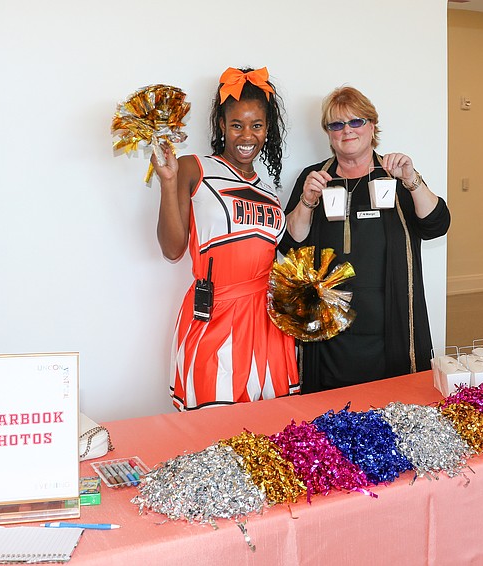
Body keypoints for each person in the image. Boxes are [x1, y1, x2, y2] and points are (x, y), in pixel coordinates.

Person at [281, 86, 450, 393]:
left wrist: (412, 181)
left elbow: (437, 224)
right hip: (330, 331)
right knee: (328, 414)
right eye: (336, 124)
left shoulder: (396, 174)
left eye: (356, 121)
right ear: (329, 133)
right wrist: (306, 201)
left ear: (372, 126)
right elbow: (291, 244)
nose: (347, 131)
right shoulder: (314, 177)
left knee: (395, 405)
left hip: (393, 325)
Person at [151, 67, 299, 410]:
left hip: (268, 322)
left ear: (267, 130)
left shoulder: (270, 192)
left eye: (257, 125)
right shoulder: (193, 168)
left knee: (268, 427)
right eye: (237, 125)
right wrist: (168, 182)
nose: (247, 135)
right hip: (215, 315)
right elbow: (172, 249)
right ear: (222, 126)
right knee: (213, 425)